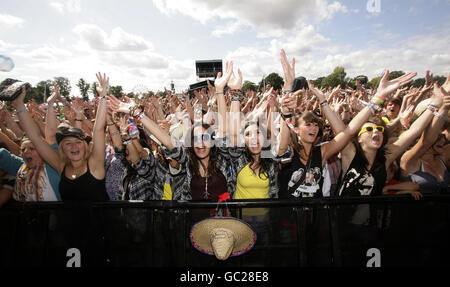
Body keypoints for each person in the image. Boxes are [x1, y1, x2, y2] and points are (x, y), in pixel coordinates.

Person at [12, 73, 109, 202]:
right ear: (62, 148)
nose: (74, 146)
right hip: (67, 222)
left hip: (99, 222)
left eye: (78, 142)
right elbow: (35, 138)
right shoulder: (61, 166)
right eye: (68, 143)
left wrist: (102, 97)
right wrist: (19, 104)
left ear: (85, 145)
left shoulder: (95, 164)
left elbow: (98, 130)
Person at [400, 82, 450, 193]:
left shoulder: (444, 156)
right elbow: (426, 142)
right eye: (438, 137)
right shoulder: (409, 160)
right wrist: (444, 108)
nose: (443, 140)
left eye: (443, 136)